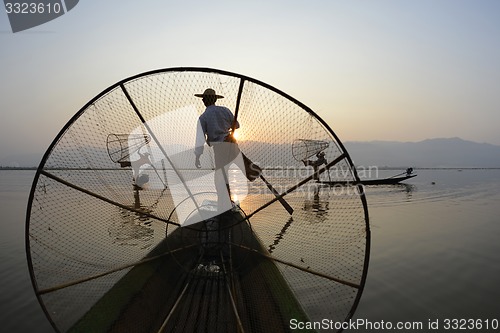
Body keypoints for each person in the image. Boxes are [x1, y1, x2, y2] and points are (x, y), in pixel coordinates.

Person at [194, 88, 244, 213]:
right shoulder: (225, 110)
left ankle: (225, 204)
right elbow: (236, 125)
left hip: (220, 149)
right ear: (215, 99)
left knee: (220, 178)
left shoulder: (203, 117)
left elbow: (200, 139)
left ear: (204, 101)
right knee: (243, 170)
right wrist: (226, 126)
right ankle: (227, 201)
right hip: (232, 145)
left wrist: (197, 156)